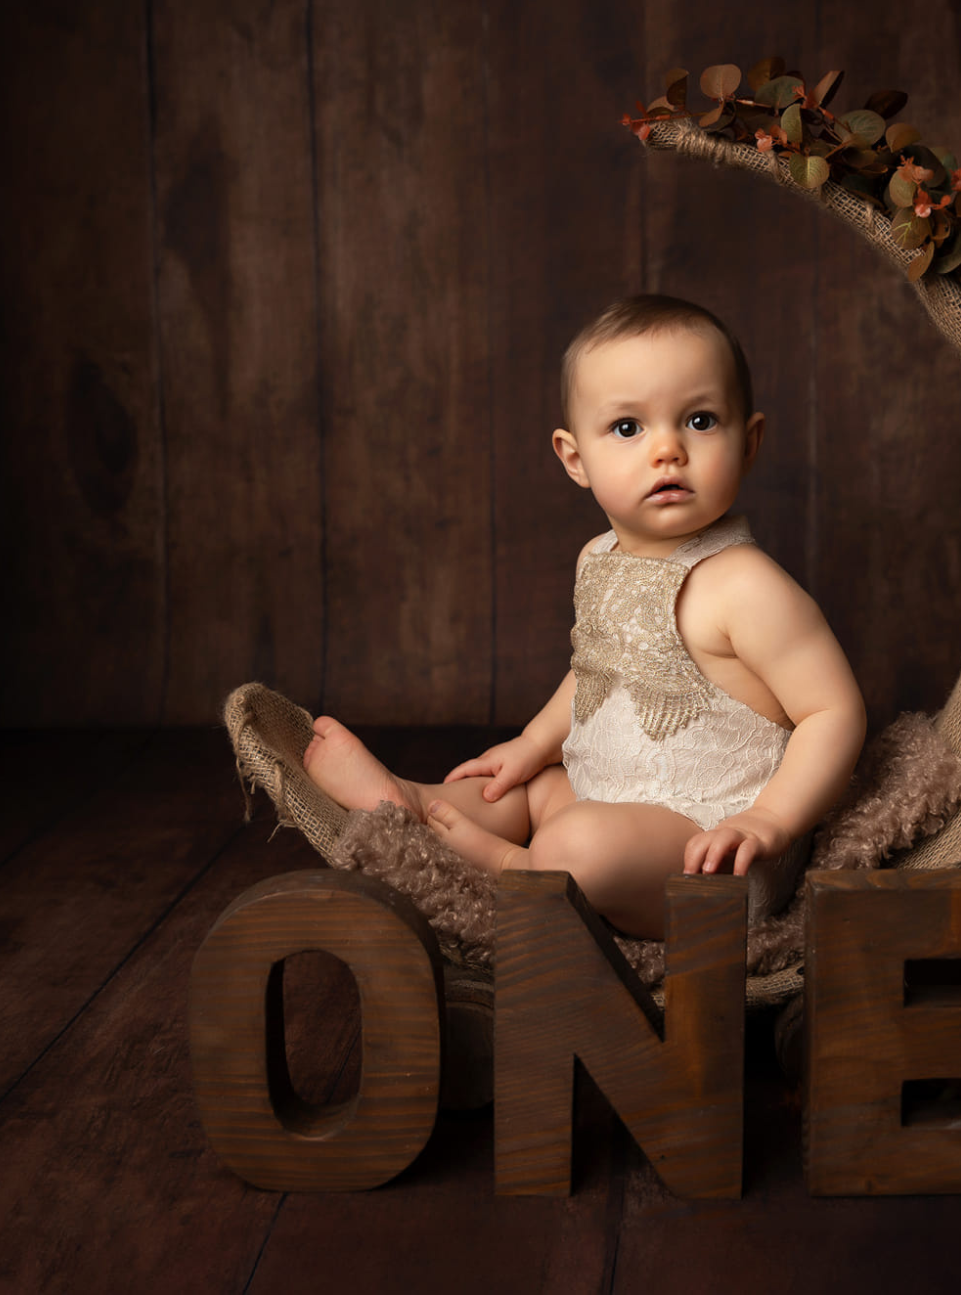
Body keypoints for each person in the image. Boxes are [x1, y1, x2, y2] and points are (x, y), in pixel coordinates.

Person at [302, 295, 865, 939]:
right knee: (522, 790)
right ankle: (408, 801)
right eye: (629, 428)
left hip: (709, 852)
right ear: (575, 459)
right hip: (605, 799)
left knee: (580, 843)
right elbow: (597, 667)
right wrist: (533, 745)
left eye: (701, 420)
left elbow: (834, 712)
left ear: (750, 441)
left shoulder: (748, 586)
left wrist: (770, 822)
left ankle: (512, 866)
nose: (668, 450)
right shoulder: (598, 556)